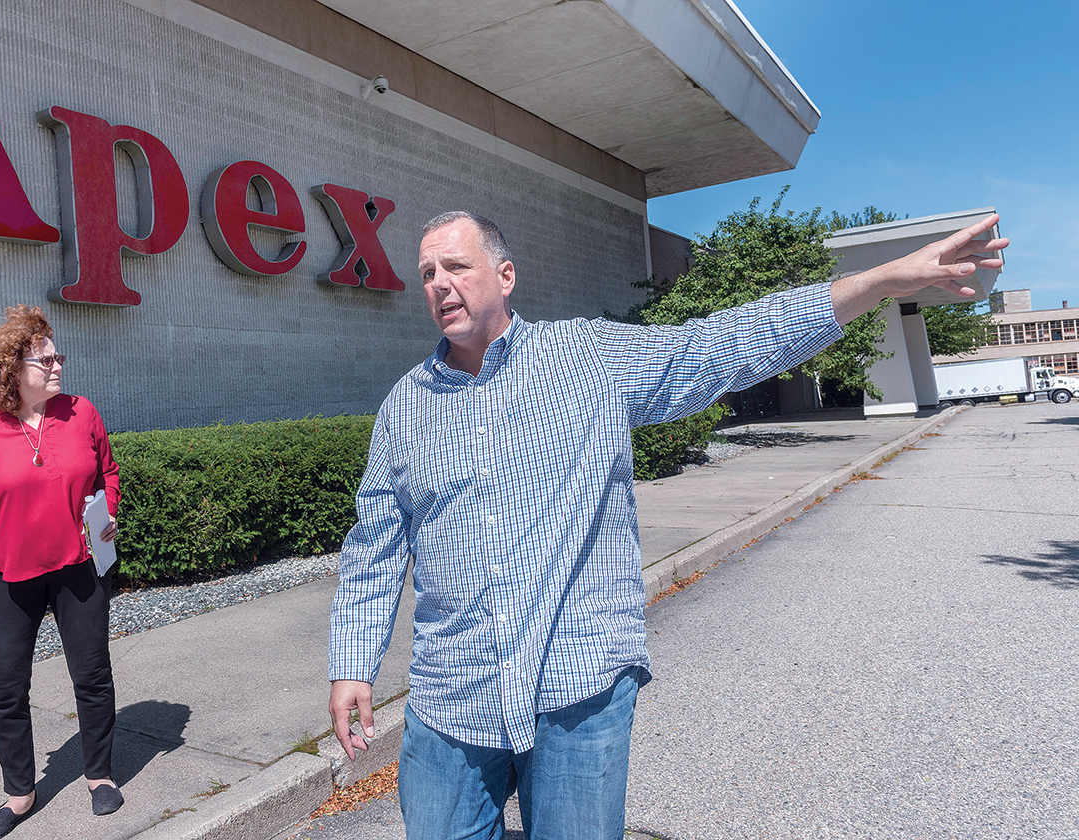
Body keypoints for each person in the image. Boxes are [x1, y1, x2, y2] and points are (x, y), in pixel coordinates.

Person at [328, 210, 1007, 839]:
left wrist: (881, 280)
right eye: (426, 274)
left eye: (457, 266)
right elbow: (375, 547)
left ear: (505, 276)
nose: (440, 284)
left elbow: (722, 344)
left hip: (578, 684)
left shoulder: (588, 359)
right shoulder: (405, 408)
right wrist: (353, 662)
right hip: (453, 698)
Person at [0, 305, 123, 840]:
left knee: (92, 677)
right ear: (12, 369)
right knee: (6, 689)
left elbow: (108, 469)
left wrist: (109, 510)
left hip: (78, 570)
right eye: (44, 358)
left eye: (58, 355)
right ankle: (20, 793)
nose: (57, 365)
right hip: (9, 578)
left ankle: (99, 774)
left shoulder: (83, 412)